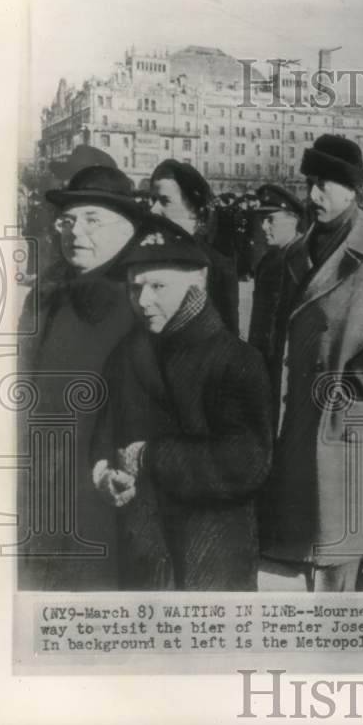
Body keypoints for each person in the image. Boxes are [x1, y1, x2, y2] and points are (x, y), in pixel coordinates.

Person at [258, 134, 363, 592]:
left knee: (336, 558)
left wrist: (357, 380)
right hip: (293, 421)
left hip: (343, 422)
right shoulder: (293, 254)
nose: (313, 195)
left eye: (326, 185)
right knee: (295, 556)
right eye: (311, 183)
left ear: (354, 191)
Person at [92, 214, 273, 590]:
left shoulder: (236, 359)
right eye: (133, 287)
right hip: (142, 553)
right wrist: (105, 474)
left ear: (198, 284)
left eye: (158, 286)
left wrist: (151, 457)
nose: (143, 301)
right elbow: (104, 429)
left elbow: (248, 462)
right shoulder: (125, 355)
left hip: (211, 557)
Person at [17, 163, 144, 590]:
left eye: (92, 220)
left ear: (127, 229)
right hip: (42, 480)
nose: (75, 232)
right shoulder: (52, 291)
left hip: (100, 491)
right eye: (68, 220)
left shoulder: (142, 297)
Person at [149, 160, 240, 334]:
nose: (153, 210)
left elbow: (228, 337)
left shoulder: (217, 266)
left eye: (164, 201)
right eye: (153, 200)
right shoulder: (146, 259)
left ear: (194, 208)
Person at [247, 183, 306, 406]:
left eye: (271, 219)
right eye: (262, 219)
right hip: (264, 359)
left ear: (293, 220)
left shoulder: (304, 261)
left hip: (289, 362)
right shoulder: (268, 260)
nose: (263, 227)